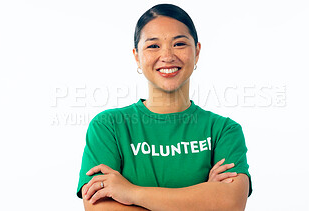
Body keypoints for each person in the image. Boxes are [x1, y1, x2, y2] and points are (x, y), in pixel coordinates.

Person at [77, 3, 252, 210]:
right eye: (153, 46)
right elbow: (99, 208)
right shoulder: (109, 126)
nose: (167, 56)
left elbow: (230, 203)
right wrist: (203, 198)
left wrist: (130, 192)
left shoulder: (223, 130)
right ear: (137, 57)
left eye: (179, 44)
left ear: (197, 51)